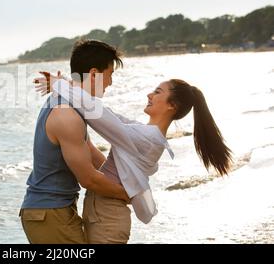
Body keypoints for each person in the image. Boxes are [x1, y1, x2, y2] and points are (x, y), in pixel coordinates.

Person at [34, 72, 233, 244]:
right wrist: (68, 84)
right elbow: (110, 115)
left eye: (157, 92)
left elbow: (100, 116)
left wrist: (60, 85)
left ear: (172, 105)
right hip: (104, 213)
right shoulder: (145, 133)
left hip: (109, 217)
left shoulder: (147, 138)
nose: (149, 94)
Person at [19, 40, 130, 244]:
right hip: (48, 214)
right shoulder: (67, 115)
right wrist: (126, 194)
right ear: (95, 74)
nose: (110, 83)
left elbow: (88, 149)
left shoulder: (71, 103)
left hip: (55, 209)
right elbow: (88, 179)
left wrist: (121, 176)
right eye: (110, 75)